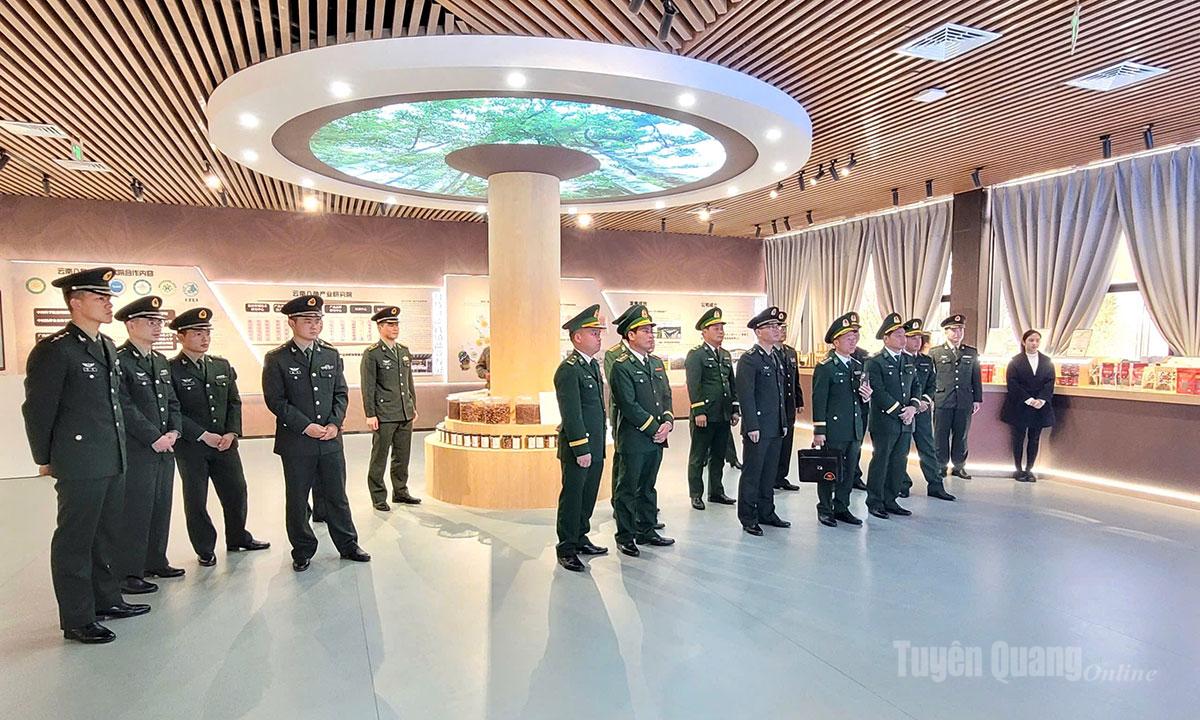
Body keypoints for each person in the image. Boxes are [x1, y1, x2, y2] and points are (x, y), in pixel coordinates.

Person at [22, 266, 149, 644]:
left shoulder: (106, 345)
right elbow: (38, 409)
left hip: (111, 456)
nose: (109, 304)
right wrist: (44, 457)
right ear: (75, 302)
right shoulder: (56, 349)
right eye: (100, 297)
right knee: (75, 540)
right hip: (79, 460)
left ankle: (106, 599)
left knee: (106, 535)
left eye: (108, 297)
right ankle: (77, 617)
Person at [262, 294, 369, 572]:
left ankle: (348, 544)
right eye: (308, 320)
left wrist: (334, 423)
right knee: (298, 499)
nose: (314, 325)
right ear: (292, 322)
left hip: (330, 440)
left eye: (318, 320)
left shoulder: (330, 354)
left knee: (337, 495)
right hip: (297, 441)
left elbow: (340, 393)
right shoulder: (277, 358)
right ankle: (302, 549)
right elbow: (276, 401)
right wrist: (305, 426)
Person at [169, 307, 269, 567]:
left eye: (207, 332)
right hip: (192, 447)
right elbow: (172, 410)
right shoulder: (171, 369)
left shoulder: (220, 365)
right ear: (181, 336)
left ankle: (238, 537)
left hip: (225, 444)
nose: (204, 338)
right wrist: (202, 435)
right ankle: (204, 548)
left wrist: (231, 432)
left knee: (236, 491)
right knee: (196, 498)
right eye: (197, 333)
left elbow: (234, 402)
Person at [114, 296, 183, 594]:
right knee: (136, 510)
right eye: (150, 322)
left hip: (165, 447)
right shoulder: (120, 360)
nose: (157, 327)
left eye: (159, 322)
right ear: (131, 325)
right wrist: (153, 437)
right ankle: (129, 571)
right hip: (138, 448)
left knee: (161, 505)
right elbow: (124, 406)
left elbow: (172, 402)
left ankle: (155, 560)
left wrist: (174, 432)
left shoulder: (159, 360)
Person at [609, 305, 675, 557]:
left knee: (648, 486)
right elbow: (628, 405)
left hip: (657, 438)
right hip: (635, 439)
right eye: (645, 331)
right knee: (628, 489)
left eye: (651, 330)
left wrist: (667, 423)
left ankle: (647, 530)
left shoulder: (655, 363)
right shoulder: (621, 366)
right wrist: (655, 428)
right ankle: (626, 536)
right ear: (630, 335)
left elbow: (666, 396)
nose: (650, 335)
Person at [553, 305, 610, 571]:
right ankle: (566, 547)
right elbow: (572, 413)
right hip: (580, 446)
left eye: (599, 333)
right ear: (577, 337)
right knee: (573, 498)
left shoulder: (592, 366)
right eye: (593, 333)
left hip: (595, 443)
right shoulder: (569, 369)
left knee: (588, 495)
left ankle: (580, 536)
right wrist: (581, 448)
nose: (599, 337)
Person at [810, 312, 871, 528]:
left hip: (853, 428)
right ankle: (825, 509)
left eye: (855, 337)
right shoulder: (826, 367)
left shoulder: (857, 365)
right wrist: (819, 430)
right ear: (836, 342)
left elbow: (859, 399)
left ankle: (842, 507)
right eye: (848, 338)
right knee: (829, 471)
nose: (853, 341)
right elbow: (819, 400)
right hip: (834, 429)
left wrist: (867, 397)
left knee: (848, 471)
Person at [735, 306, 791, 536]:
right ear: (758, 331)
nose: (777, 330)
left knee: (769, 473)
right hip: (758, 427)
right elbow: (746, 395)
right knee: (753, 473)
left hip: (775, 426)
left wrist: (783, 422)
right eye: (771, 326)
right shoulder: (750, 359)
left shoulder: (776, 357)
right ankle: (748, 517)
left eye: (778, 326)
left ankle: (767, 512)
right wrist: (752, 425)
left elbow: (779, 395)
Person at [361, 306, 421, 511]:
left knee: (402, 456)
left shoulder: (403, 351)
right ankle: (378, 496)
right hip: (384, 414)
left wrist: (412, 406)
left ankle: (400, 491)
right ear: (380, 327)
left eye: (396, 324)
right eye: (390, 324)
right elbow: (368, 386)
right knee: (380, 457)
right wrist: (370, 414)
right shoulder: (372, 354)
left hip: (404, 412)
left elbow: (409, 382)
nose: (395, 328)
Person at [864, 313, 920, 520]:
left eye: (904, 335)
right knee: (882, 461)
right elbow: (878, 392)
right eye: (897, 335)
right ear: (886, 338)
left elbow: (916, 386)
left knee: (899, 462)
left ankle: (891, 499)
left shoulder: (908, 360)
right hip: (885, 421)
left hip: (906, 421)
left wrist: (913, 407)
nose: (903, 339)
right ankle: (875, 501)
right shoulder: (875, 362)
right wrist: (900, 412)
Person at [683, 307, 738, 510]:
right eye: (716, 328)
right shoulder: (696, 355)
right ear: (704, 332)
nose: (720, 331)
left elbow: (731, 383)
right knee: (698, 457)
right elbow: (694, 384)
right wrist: (699, 411)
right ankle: (696, 494)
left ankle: (716, 491)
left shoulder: (725, 355)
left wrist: (734, 408)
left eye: (722, 328)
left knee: (718, 455)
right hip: (704, 415)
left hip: (722, 414)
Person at [900, 321, 956, 501]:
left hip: (922, 412)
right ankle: (902, 483)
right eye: (912, 338)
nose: (917, 341)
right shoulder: (899, 359)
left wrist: (925, 400)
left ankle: (936, 485)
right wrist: (912, 405)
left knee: (928, 449)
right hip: (903, 412)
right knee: (901, 450)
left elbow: (932, 383)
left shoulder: (926, 360)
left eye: (919, 337)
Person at [931, 313, 983, 479]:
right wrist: (930, 398)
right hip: (943, 399)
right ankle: (940, 465)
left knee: (961, 435)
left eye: (960, 329)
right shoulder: (936, 352)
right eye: (953, 330)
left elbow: (976, 377)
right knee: (941, 434)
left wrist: (977, 399)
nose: (957, 333)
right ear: (946, 332)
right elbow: (931, 378)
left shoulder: (971, 352)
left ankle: (959, 466)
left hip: (964, 399)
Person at [1001, 329, 1056, 482]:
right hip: (1020, 405)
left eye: (1037, 340)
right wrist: (1028, 399)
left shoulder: (1047, 361)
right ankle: (1018, 469)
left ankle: (1029, 469)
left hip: (1040, 406)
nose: (1034, 343)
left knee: (1035, 438)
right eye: (1031, 340)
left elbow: (1050, 382)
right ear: (1024, 342)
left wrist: (1041, 400)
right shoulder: (1015, 361)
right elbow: (1012, 383)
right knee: (1018, 438)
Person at [773, 320, 803, 491]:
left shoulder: (790, 352)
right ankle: (771, 477)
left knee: (787, 443)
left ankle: (781, 477)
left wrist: (799, 400)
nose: (782, 331)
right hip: (775, 406)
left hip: (789, 405)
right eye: (779, 328)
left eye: (784, 328)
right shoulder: (768, 353)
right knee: (775, 442)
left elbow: (795, 378)